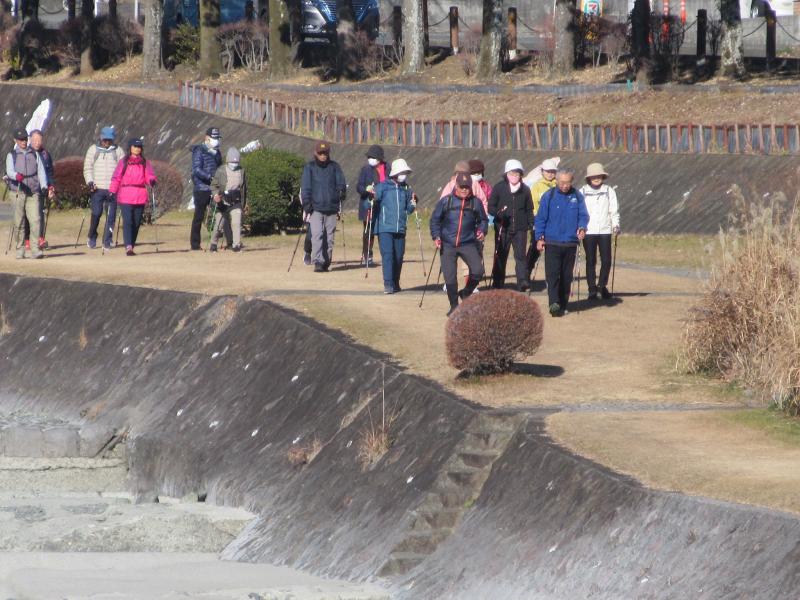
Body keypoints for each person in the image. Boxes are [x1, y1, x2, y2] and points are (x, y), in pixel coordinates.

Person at [430, 172, 488, 316]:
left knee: (478, 271)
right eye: (461, 187)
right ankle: (454, 306)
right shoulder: (446, 201)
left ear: (471, 187)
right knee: (450, 276)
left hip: (468, 242)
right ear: (456, 186)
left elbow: (483, 220)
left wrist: (482, 230)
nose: (464, 190)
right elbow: (435, 220)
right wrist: (436, 236)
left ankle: (466, 293)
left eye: (467, 187)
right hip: (447, 243)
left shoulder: (476, 202)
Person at [534, 168, 589, 317]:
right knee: (552, 275)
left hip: (570, 243)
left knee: (566, 276)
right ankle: (553, 303)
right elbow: (540, 219)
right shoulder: (548, 196)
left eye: (568, 183)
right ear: (557, 181)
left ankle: (563, 303)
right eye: (562, 182)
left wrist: (582, 228)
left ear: (572, 181)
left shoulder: (577, 196)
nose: (565, 186)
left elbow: (583, 216)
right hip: (552, 242)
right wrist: (539, 238)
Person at [301, 141, 346, 272]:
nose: (323, 156)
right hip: (315, 208)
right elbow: (306, 188)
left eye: (325, 153)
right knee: (317, 235)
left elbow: (341, 184)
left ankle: (326, 261)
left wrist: (341, 195)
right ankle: (318, 261)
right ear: (315, 153)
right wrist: (306, 204)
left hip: (332, 208)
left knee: (329, 238)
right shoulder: (309, 167)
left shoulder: (335, 167)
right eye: (320, 153)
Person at [489, 159, 534, 291]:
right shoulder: (498, 188)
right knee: (500, 255)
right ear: (506, 174)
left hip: (521, 229)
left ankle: (522, 282)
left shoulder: (525, 190)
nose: (514, 176)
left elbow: (529, 209)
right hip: (503, 228)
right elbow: (490, 207)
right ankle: (497, 282)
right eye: (512, 173)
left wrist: (531, 224)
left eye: (517, 173)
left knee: (520, 257)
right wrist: (498, 214)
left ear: (521, 175)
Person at [374, 158, 416, 294]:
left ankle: (395, 282)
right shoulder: (382, 186)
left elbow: (409, 210)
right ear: (395, 173)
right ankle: (388, 284)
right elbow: (370, 202)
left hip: (400, 228)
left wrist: (413, 204)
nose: (404, 175)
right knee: (388, 255)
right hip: (385, 228)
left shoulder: (406, 189)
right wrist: (371, 198)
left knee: (398, 257)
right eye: (402, 172)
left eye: (406, 172)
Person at [109, 138, 157, 256]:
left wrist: (152, 181)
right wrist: (112, 191)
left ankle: (131, 244)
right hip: (125, 194)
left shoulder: (145, 163)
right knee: (128, 221)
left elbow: (149, 175)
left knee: (136, 223)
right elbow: (117, 177)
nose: (137, 149)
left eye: (139, 147)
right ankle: (128, 246)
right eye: (135, 146)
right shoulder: (124, 162)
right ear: (130, 147)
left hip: (140, 195)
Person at [580, 162, 620, 300]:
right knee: (590, 260)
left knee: (607, 260)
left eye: (599, 176)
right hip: (588, 231)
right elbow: (579, 211)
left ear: (603, 176)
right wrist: (580, 227)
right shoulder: (582, 191)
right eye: (593, 176)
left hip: (605, 230)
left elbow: (613, 211)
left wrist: (616, 225)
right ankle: (592, 289)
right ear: (588, 178)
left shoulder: (609, 191)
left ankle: (601, 287)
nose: (596, 178)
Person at [5, 128, 47, 259]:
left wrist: (44, 186)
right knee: (19, 222)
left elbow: (41, 171)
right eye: (20, 139)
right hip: (17, 191)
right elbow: (9, 171)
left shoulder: (34, 154)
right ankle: (20, 248)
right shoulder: (11, 155)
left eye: (25, 139)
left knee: (36, 220)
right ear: (15, 140)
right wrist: (16, 176)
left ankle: (35, 249)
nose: (23, 141)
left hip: (33, 191)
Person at [83, 126, 125, 250]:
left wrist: (120, 185)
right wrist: (90, 182)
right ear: (101, 138)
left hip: (113, 189)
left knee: (111, 216)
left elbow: (122, 170)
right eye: (105, 139)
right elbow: (87, 168)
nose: (107, 142)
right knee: (96, 213)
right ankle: (92, 236)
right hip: (97, 188)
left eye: (109, 140)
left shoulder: (118, 151)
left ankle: (107, 240)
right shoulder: (93, 150)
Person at [526, 157, 559, 280]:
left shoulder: (559, 185)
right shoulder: (537, 186)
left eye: (552, 171)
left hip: (554, 223)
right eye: (547, 171)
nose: (550, 174)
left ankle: (553, 277)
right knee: (535, 248)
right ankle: (526, 273)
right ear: (542, 171)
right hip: (539, 222)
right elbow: (533, 205)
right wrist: (536, 221)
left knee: (553, 251)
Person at [190, 127, 222, 250]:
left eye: (217, 138)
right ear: (207, 138)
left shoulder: (217, 152)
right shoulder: (199, 151)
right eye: (214, 138)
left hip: (214, 187)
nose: (216, 140)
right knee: (199, 216)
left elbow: (219, 167)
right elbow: (196, 169)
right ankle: (195, 244)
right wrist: (209, 177)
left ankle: (230, 242)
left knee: (222, 212)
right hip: (201, 188)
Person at [210, 147, 247, 252]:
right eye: (232, 162)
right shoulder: (221, 170)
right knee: (219, 224)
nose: (234, 163)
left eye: (236, 162)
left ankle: (236, 245)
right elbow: (213, 186)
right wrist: (215, 195)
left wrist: (244, 204)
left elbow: (244, 189)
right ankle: (213, 244)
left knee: (236, 222)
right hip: (223, 201)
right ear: (227, 161)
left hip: (235, 201)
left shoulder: (242, 171)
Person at [356, 144, 387, 266]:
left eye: (372, 156)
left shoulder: (387, 168)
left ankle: (386, 254)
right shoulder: (365, 169)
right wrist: (366, 189)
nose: (370, 159)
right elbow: (359, 186)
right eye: (369, 157)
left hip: (383, 205)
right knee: (368, 231)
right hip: (368, 203)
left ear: (379, 158)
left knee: (383, 232)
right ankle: (367, 254)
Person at [24, 130, 55, 251]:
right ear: (30, 140)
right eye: (35, 140)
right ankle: (27, 240)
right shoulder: (25, 153)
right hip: (29, 188)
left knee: (40, 214)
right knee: (28, 215)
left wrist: (51, 186)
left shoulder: (46, 154)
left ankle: (40, 238)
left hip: (42, 188)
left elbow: (50, 172)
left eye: (39, 140)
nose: (37, 143)